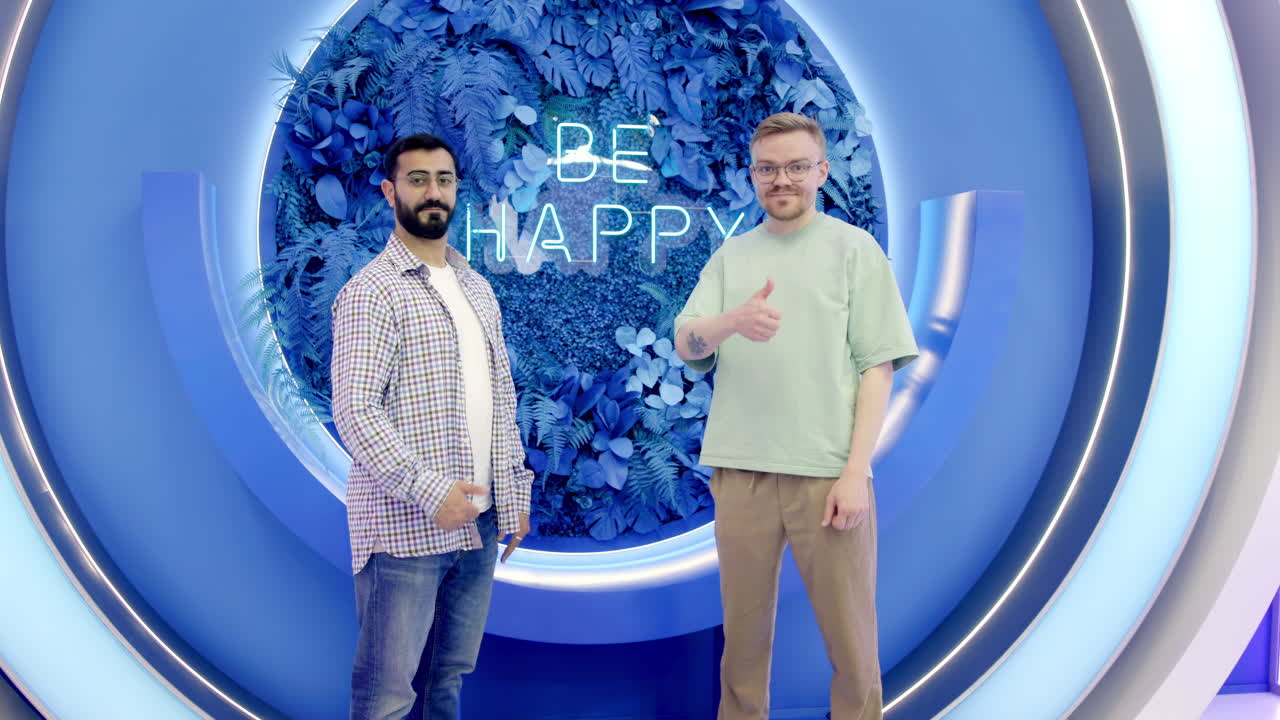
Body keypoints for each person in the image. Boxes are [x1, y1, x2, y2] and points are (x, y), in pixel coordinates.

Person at [675, 113, 918, 720]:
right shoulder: (733, 256)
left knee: (852, 645)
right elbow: (688, 342)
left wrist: (856, 471)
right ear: (753, 176)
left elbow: (877, 368)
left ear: (821, 171)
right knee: (743, 646)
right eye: (767, 168)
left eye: (795, 167)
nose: (780, 179)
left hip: (828, 474)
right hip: (741, 472)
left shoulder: (855, 251)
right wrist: (731, 321)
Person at [331, 133, 532, 720]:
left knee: (447, 683)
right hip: (404, 530)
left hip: (478, 523)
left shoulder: (476, 289)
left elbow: (501, 401)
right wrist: (431, 491)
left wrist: (513, 495)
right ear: (391, 191)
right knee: (387, 697)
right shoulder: (371, 292)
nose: (433, 192)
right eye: (417, 180)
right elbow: (355, 411)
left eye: (443, 179)